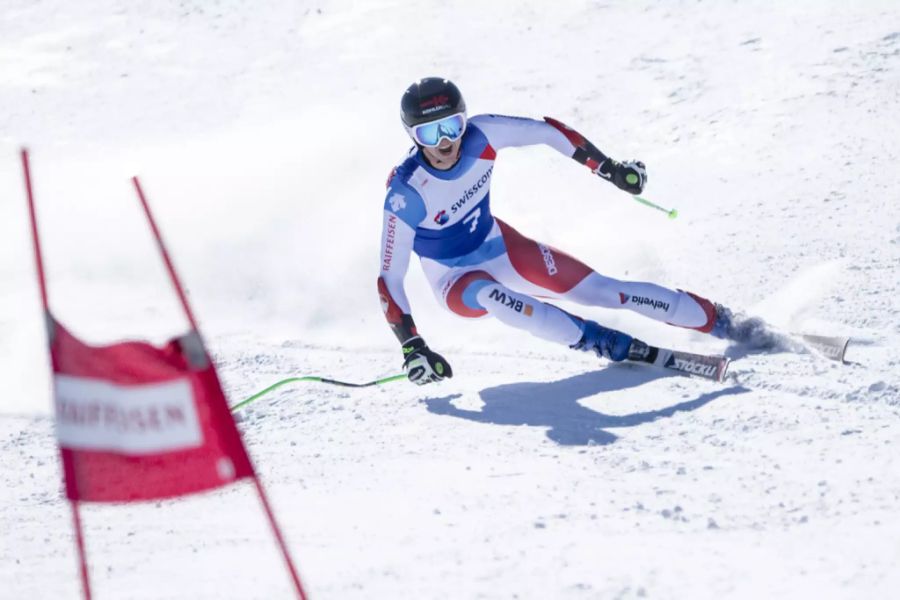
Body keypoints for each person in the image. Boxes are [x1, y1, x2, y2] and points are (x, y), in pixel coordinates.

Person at [378, 77, 761, 385]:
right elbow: (390, 277)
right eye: (430, 134)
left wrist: (608, 168)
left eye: (452, 126)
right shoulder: (407, 192)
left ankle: (724, 321)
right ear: (412, 136)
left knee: (604, 290)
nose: (445, 142)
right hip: (455, 279)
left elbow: (548, 133)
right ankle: (600, 342)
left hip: (500, 246)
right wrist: (412, 346)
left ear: (465, 120)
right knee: (493, 294)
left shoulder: (484, 135)